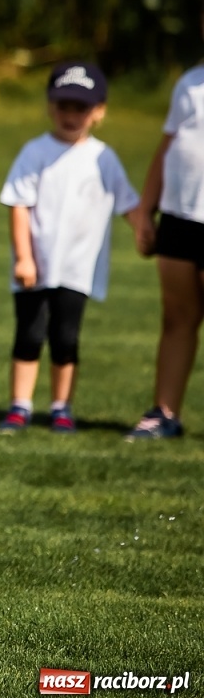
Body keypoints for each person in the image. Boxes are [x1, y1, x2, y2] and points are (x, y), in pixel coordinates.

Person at [0, 62, 142, 435]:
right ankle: (20, 405)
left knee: (65, 338)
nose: (71, 115)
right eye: (64, 106)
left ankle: (61, 406)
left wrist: (144, 230)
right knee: (29, 335)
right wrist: (24, 257)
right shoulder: (35, 152)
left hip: (78, 268)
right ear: (50, 106)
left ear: (99, 112)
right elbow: (18, 204)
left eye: (81, 107)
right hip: (35, 266)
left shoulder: (103, 158)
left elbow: (128, 202)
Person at [127, 52, 204, 440]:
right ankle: (164, 413)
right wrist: (146, 210)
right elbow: (167, 147)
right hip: (179, 216)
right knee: (176, 316)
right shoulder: (189, 82)